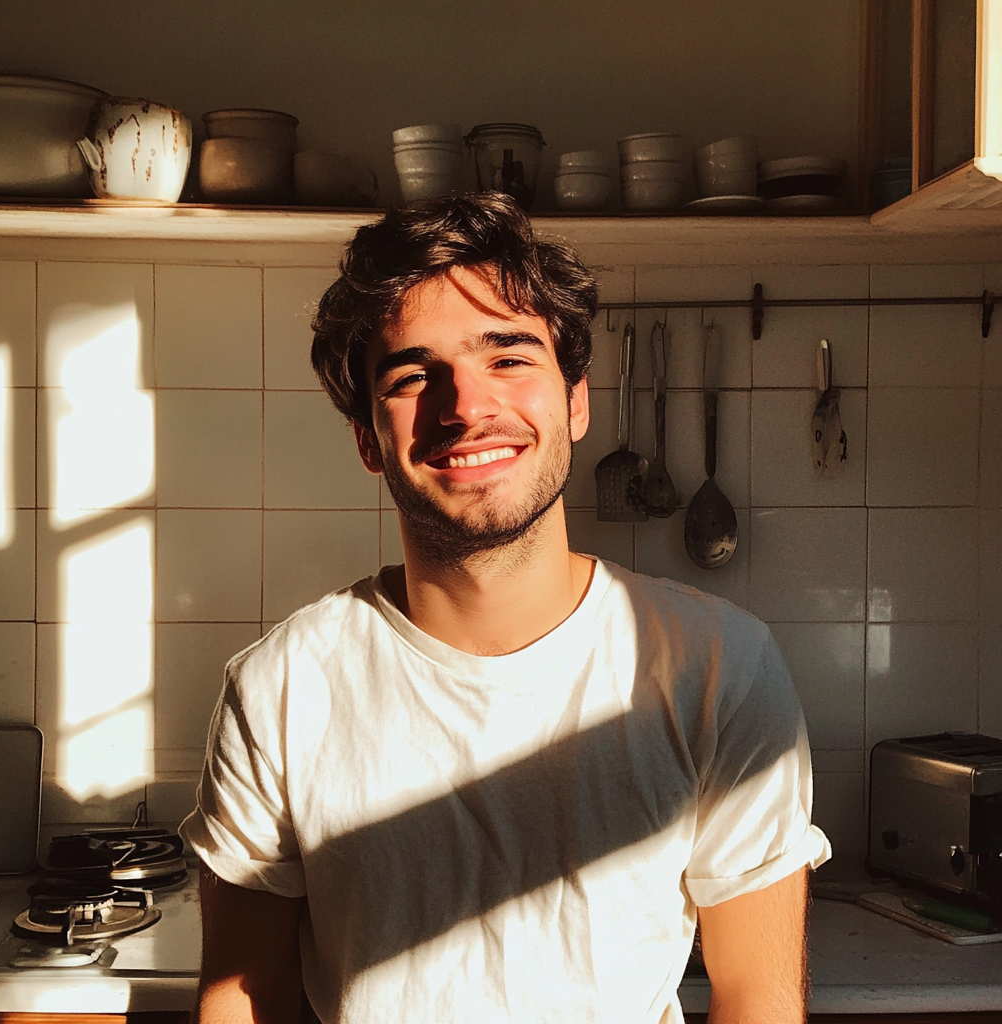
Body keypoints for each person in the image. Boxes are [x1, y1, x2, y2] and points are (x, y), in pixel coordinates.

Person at [180, 191, 831, 1024]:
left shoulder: (720, 669)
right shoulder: (279, 690)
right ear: (368, 440)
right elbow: (244, 1001)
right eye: (414, 375)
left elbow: (759, 1001)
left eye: (509, 357)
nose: (466, 406)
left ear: (577, 401)